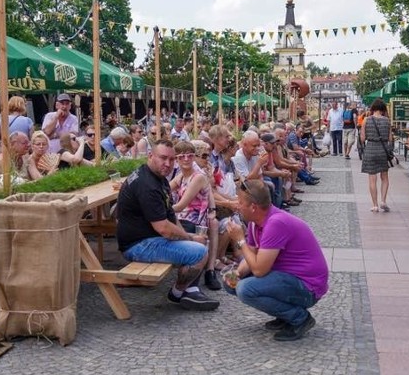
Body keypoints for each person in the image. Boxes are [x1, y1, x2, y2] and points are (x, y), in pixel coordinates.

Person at [116, 139, 219, 311]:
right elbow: (163, 228)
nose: (168, 163)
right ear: (150, 156)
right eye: (163, 158)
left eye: (172, 159)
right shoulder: (147, 184)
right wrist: (189, 237)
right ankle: (177, 293)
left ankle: (191, 289)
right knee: (200, 253)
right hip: (138, 245)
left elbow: (171, 215)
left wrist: (191, 238)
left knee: (199, 241)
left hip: (149, 237)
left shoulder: (159, 178)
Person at [224, 179, 328, 341]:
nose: (237, 205)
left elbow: (259, 270)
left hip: (308, 287)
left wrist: (239, 240)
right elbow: (252, 254)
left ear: (253, 207)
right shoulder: (255, 222)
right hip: (287, 277)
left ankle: (299, 318)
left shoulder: (275, 223)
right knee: (232, 283)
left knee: (245, 289)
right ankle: (285, 314)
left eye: (240, 201)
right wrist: (236, 274)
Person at [170, 141, 219, 290]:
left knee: (186, 237)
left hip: (196, 220)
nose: (186, 159)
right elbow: (163, 190)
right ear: (177, 160)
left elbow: (180, 206)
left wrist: (158, 210)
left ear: (193, 157)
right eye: (181, 156)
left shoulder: (197, 177)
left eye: (189, 156)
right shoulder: (181, 176)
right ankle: (192, 285)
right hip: (184, 218)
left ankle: (189, 286)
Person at [361, 99, 393, 213]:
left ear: (373, 108)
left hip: (370, 150)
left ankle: (375, 205)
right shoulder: (387, 121)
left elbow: (362, 139)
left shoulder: (366, 120)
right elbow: (390, 139)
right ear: (383, 109)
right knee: (384, 178)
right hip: (383, 151)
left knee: (372, 179)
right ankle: (383, 201)